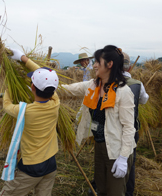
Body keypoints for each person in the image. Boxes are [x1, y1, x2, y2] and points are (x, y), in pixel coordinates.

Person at [62, 45, 136, 195]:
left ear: (109, 64)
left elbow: (129, 127)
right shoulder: (93, 85)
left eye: (97, 61)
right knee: (101, 188)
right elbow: (67, 89)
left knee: (114, 192)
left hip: (116, 150)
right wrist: (41, 81)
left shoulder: (123, 92)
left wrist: (122, 157)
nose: (94, 65)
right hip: (100, 146)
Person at [0, 49, 60, 196]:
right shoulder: (55, 103)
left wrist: (10, 85)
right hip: (51, 165)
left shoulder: (24, 111)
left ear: (32, 87)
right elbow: (46, 77)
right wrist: (23, 59)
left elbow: (6, 105)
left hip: (32, 168)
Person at [122, 52, 149, 196]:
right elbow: (144, 100)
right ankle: (128, 191)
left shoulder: (106, 82)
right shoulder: (138, 84)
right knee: (130, 161)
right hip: (131, 129)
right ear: (130, 67)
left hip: (110, 130)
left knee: (108, 158)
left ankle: (102, 186)